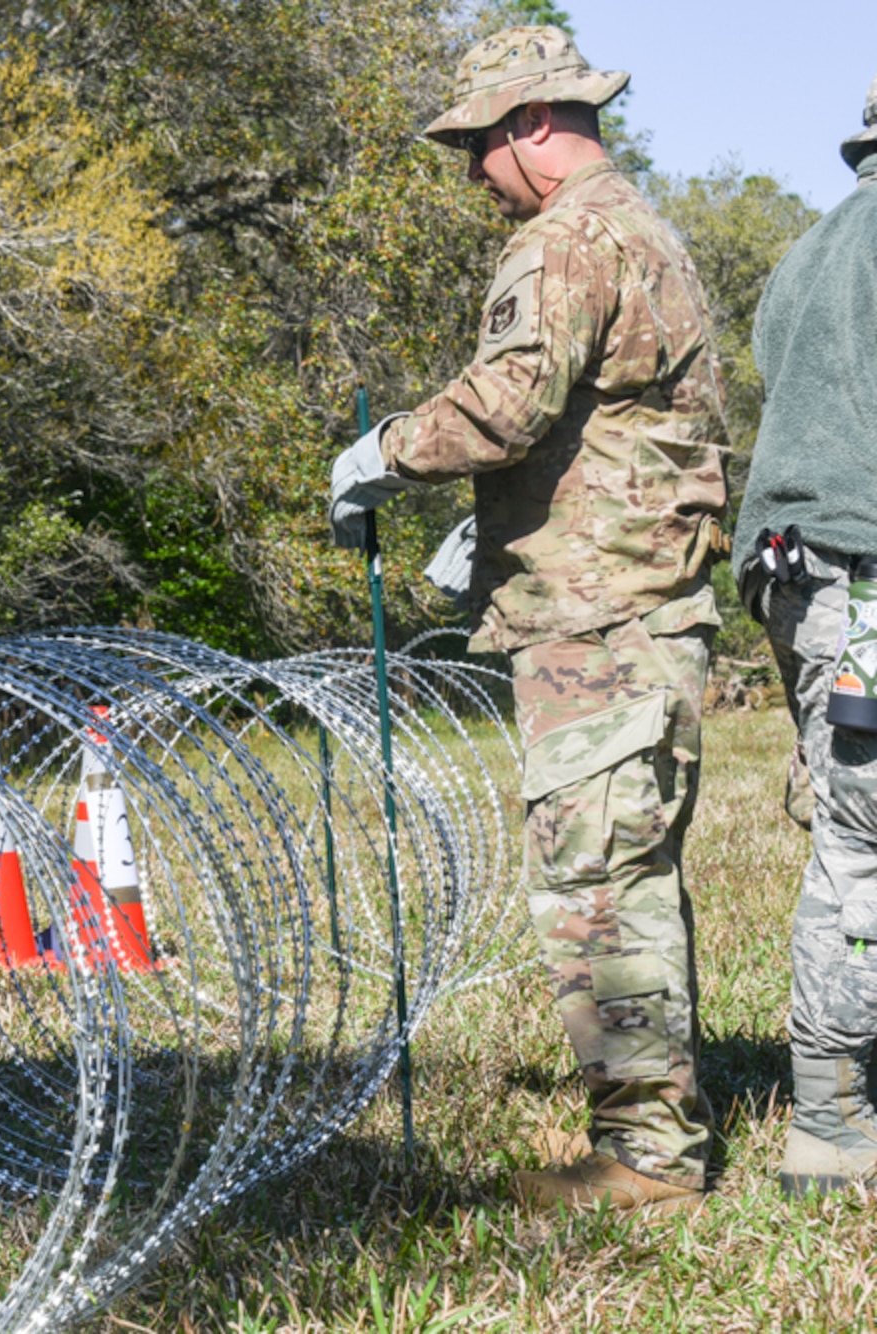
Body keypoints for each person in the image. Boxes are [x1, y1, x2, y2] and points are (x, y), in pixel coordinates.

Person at [329, 26, 729, 1214]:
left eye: (475, 147)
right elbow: (603, 431)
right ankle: (651, 1128)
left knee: (597, 879)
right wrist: (501, 530)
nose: (471, 175)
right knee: (629, 867)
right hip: (629, 596)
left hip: (601, 617)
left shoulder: (562, 239)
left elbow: (505, 405)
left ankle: (648, 1161)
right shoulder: (642, 229)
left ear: (528, 127)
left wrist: (383, 453)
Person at [735, 73, 877, 1198]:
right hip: (864, 577)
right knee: (863, 845)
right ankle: (830, 1120)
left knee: (853, 823)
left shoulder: (805, 251)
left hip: (799, 575)